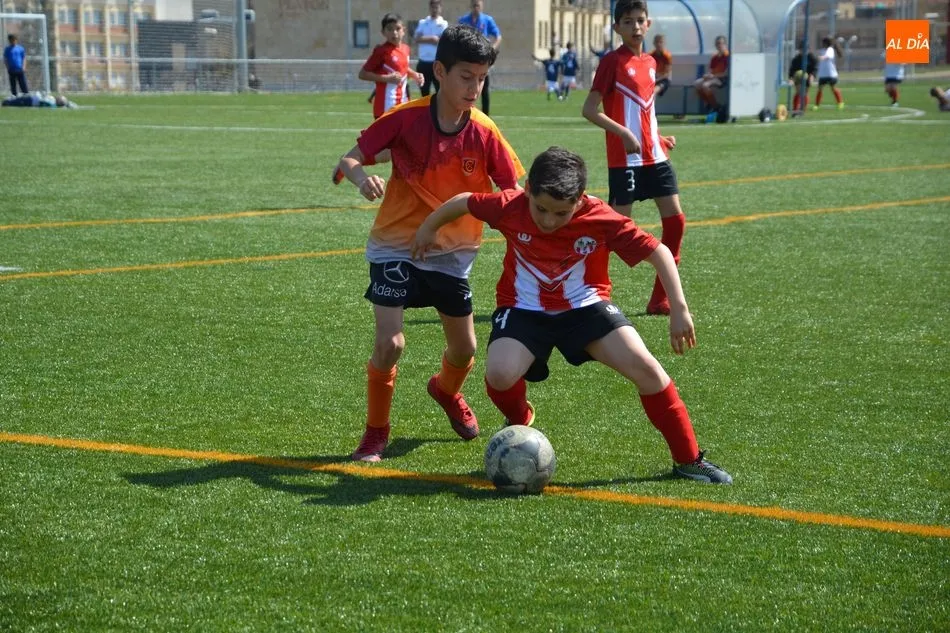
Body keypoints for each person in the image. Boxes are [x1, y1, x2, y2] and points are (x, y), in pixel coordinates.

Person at [411, 147, 732, 484]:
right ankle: (520, 418)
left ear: (580, 200)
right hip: (523, 309)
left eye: (561, 213)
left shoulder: (601, 217)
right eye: (541, 209)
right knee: (500, 374)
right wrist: (428, 228)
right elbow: (463, 201)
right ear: (527, 190)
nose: (549, 221)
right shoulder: (509, 205)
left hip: (586, 308)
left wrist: (679, 309)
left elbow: (659, 252)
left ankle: (688, 460)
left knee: (648, 370)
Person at [333, 25, 526, 462]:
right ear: (439, 71)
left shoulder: (485, 131)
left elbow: (512, 190)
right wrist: (361, 178)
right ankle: (375, 433)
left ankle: (445, 390)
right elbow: (349, 158)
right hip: (395, 246)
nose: (474, 88)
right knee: (391, 344)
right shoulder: (405, 118)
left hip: (452, 255)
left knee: (465, 349)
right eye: (466, 77)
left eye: (482, 78)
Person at [582, 0, 682, 317]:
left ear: (648, 24)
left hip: (656, 157)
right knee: (613, 232)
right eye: (628, 21)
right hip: (625, 161)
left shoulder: (651, 62)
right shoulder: (612, 62)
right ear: (617, 28)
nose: (635, 27)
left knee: (676, 222)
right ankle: (587, 291)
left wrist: (659, 137)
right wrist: (623, 133)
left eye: (640, 21)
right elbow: (589, 110)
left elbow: (645, 109)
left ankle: (660, 299)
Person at [359, 13, 424, 120]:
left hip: (403, 104)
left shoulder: (406, 49)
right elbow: (362, 74)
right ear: (383, 32)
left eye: (398, 28)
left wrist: (414, 75)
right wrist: (387, 78)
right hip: (385, 107)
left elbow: (402, 68)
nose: (394, 33)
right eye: (389, 29)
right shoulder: (381, 51)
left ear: (403, 30)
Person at [458, 0, 501, 114]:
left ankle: (486, 115)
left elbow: (498, 36)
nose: (476, 7)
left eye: (478, 5)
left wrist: (491, 50)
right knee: (466, 87)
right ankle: (465, 112)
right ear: (470, 6)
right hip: (467, 60)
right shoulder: (463, 20)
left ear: (481, 6)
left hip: (482, 60)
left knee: (484, 88)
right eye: (474, 5)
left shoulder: (487, 20)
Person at [414, 0, 448, 96]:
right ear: (430, 8)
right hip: (423, 62)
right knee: (424, 92)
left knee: (440, 91)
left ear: (440, 8)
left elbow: (443, 40)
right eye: (433, 7)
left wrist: (426, 39)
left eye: (437, 7)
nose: (434, 10)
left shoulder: (443, 23)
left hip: (437, 62)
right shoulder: (423, 23)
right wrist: (432, 38)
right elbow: (417, 39)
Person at [694, 35, 729, 113]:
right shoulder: (715, 57)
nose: (719, 45)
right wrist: (707, 75)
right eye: (717, 44)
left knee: (705, 85)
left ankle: (716, 107)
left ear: (725, 44)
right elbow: (711, 70)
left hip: (722, 78)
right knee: (696, 83)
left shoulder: (727, 56)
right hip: (714, 77)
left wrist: (713, 76)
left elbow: (726, 73)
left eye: (721, 43)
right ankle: (709, 104)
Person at [814, 36, 844, 110]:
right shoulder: (822, 50)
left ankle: (840, 103)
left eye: (823, 43)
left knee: (833, 88)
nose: (822, 44)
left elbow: (827, 56)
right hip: (823, 74)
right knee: (820, 89)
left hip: (831, 74)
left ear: (826, 43)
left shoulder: (830, 50)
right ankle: (817, 105)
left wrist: (821, 58)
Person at [788, 46, 817, 112]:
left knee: (805, 93)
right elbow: (792, 70)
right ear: (800, 50)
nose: (804, 51)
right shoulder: (796, 59)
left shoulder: (812, 58)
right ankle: (795, 109)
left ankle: (803, 109)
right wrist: (791, 78)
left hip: (807, 77)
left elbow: (815, 68)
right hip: (798, 77)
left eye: (806, 49)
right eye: (802, 49)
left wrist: (812, 76)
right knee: (798, 92)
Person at [1, 92, 76, 108]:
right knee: (18, 101)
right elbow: (43, 101)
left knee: (18, 101)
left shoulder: (52, 102)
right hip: (32, 99)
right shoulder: (52, 101)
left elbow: (43, 102)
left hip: (33, 99)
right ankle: (7, 101)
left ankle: (8, 101)